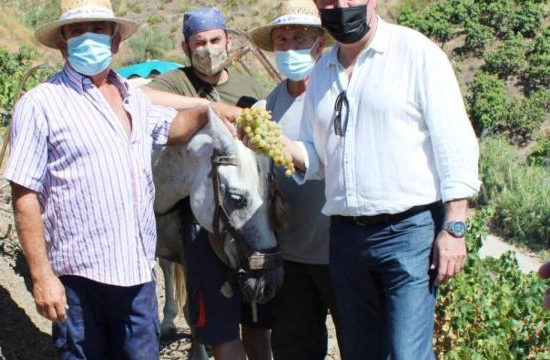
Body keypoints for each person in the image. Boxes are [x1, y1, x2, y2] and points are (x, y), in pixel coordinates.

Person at [242, 0, 481, 358]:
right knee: (361, 352)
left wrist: (454, 227)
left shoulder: (415, 54)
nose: (339, 6)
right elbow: (315, 157)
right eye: (328, 1)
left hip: (408, 232)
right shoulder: (323, 72)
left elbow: (454, 141)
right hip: (345, 236)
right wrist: (273, 143)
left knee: (406, 353)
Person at [4, 1, 233, 358]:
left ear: (115, 41)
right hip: (79, 280)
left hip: (138, 274)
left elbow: (172, 128)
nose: (88, 38)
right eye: (77, 31)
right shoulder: (41, 104)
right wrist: (41, 275)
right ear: (63, 43)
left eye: (98, 29)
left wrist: (208, 112)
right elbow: (24, 193)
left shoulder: (132, 98)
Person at [143, 7, 271, 360]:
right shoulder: (177, 81)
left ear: (228, 41)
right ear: (186, 49)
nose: (209, 48)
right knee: (218, 328)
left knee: (258, 324)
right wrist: (208, 108)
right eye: (199, 43)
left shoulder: (249, 87)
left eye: (216, 40)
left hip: (252, 221)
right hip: (204, 226)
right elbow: (142, 97)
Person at [248, 1, 339, 359]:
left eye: (299, 37)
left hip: (339, 251)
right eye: (282, 39)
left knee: (359, 343)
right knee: (295, 348)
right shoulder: (268, 106)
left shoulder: (335, 92)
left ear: (319, 43)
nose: (289, 47)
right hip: (291, 256)